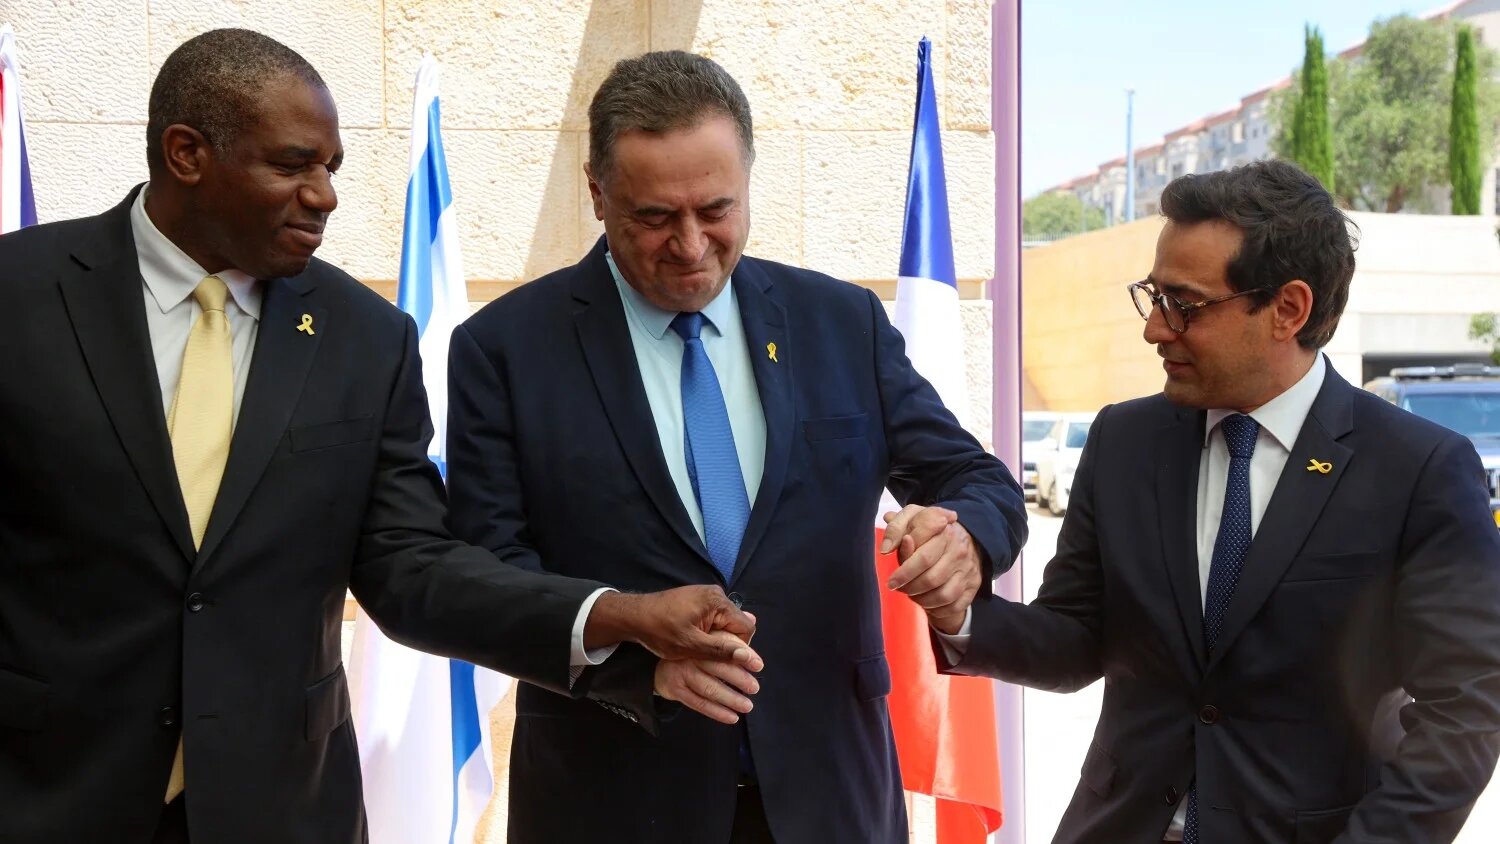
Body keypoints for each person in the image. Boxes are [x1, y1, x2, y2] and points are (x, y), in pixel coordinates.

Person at [0, 30, 760, 844]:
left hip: (281, 813)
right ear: (186, 154)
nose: (323, 196)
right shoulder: (20, 296)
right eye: (293, 165)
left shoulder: (365, 338)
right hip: (43, 798)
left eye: (330, 169)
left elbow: (411, 571)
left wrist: (618, 614)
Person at [444, 49, 1028, 844]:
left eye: (716, 209)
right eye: (654, 217)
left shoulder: (839, 324)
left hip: (831, 795)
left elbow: (974, 476)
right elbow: (486, 577)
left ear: (748, 183)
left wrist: (967, 537)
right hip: (611, 798)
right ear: (597, 193)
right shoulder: (505, 349)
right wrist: (636, 658)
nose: (690, 245)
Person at [930, 160, 1500, 843]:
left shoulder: (1417, 470)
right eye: (1153, 295)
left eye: (1185, 305)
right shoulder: (1124, 441)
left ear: (1288, 309)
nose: (1155, 329)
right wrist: (960, 614)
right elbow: (1077, 637)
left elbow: (1464, 710)